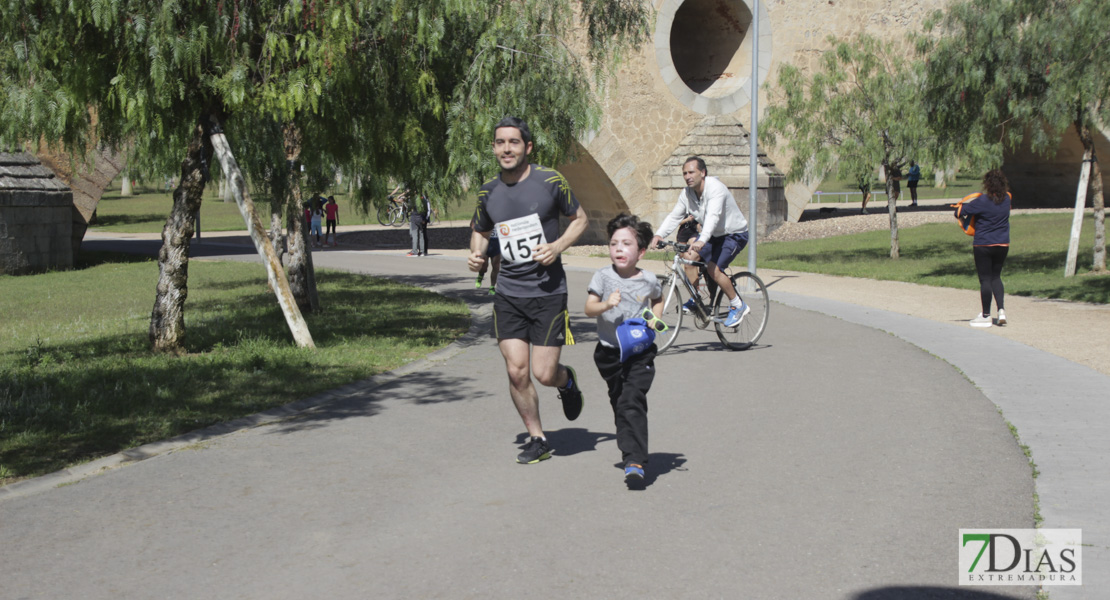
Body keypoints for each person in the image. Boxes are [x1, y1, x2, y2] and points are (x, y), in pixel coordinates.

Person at [467, 115, 589, 464]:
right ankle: (538, 438)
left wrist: (558, 246)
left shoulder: (550, 181)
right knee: (517, 371)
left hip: (548, 292)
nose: (507, 148)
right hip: (508, 294)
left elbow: (580, 219)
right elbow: (480, 229)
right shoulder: (487, 191)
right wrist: (475, 255)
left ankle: (566, 382)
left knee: (543, 373)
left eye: (514, 142)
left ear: (527, 147)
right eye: (500, 142)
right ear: (494, 147)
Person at [585, 214, 663, 483]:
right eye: (614, 243)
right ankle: (630, 447)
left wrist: (654, 320)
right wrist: (606, 304)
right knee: (620, 403)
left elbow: (658, 298)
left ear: (641, 251)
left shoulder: (648, 279)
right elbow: (588, 308)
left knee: (631, 400)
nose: (619, 248)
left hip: (640, 353)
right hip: (609, 354)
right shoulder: (603, 277)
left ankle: (634, 461)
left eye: (626, 243)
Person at [650, 156, 750, 327]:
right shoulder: (687, 193)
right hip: (712, 235)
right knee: (689, 257)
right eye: (684, 173)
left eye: (691, 172)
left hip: (734, 234)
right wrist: (659, 234)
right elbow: (675, 216)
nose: (687, 176)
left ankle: (738, 305)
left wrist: (702, 239)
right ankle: (696, 299)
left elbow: (713, 217)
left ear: (702, 173)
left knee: (714, 269)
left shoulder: (716, 189)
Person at [955, 169, 1012, 328]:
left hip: (983, 244)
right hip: (1002, 244)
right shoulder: (1007, 199)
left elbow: (958, 212)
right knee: (996, 277)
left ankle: (986, 315)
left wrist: (964, 209)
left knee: (985, 279)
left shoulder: (981, 201)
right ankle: (1001, 311)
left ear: (987, 184)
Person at [474, 226, 501, 295]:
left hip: (497, 243)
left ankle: (492, 287)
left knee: (496, 266)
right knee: (484, 266)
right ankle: (481, 275)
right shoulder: (486, 216)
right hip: (486, 242)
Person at [407, 193, 430, 257]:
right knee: (421, 235)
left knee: (415, 235)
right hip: (421, 219)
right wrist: (424, 219)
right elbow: (427, 210)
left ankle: (415, 251)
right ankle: (422, 251)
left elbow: (408, 208)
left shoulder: (413, 200)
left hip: (414, 219)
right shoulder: (424, 201)